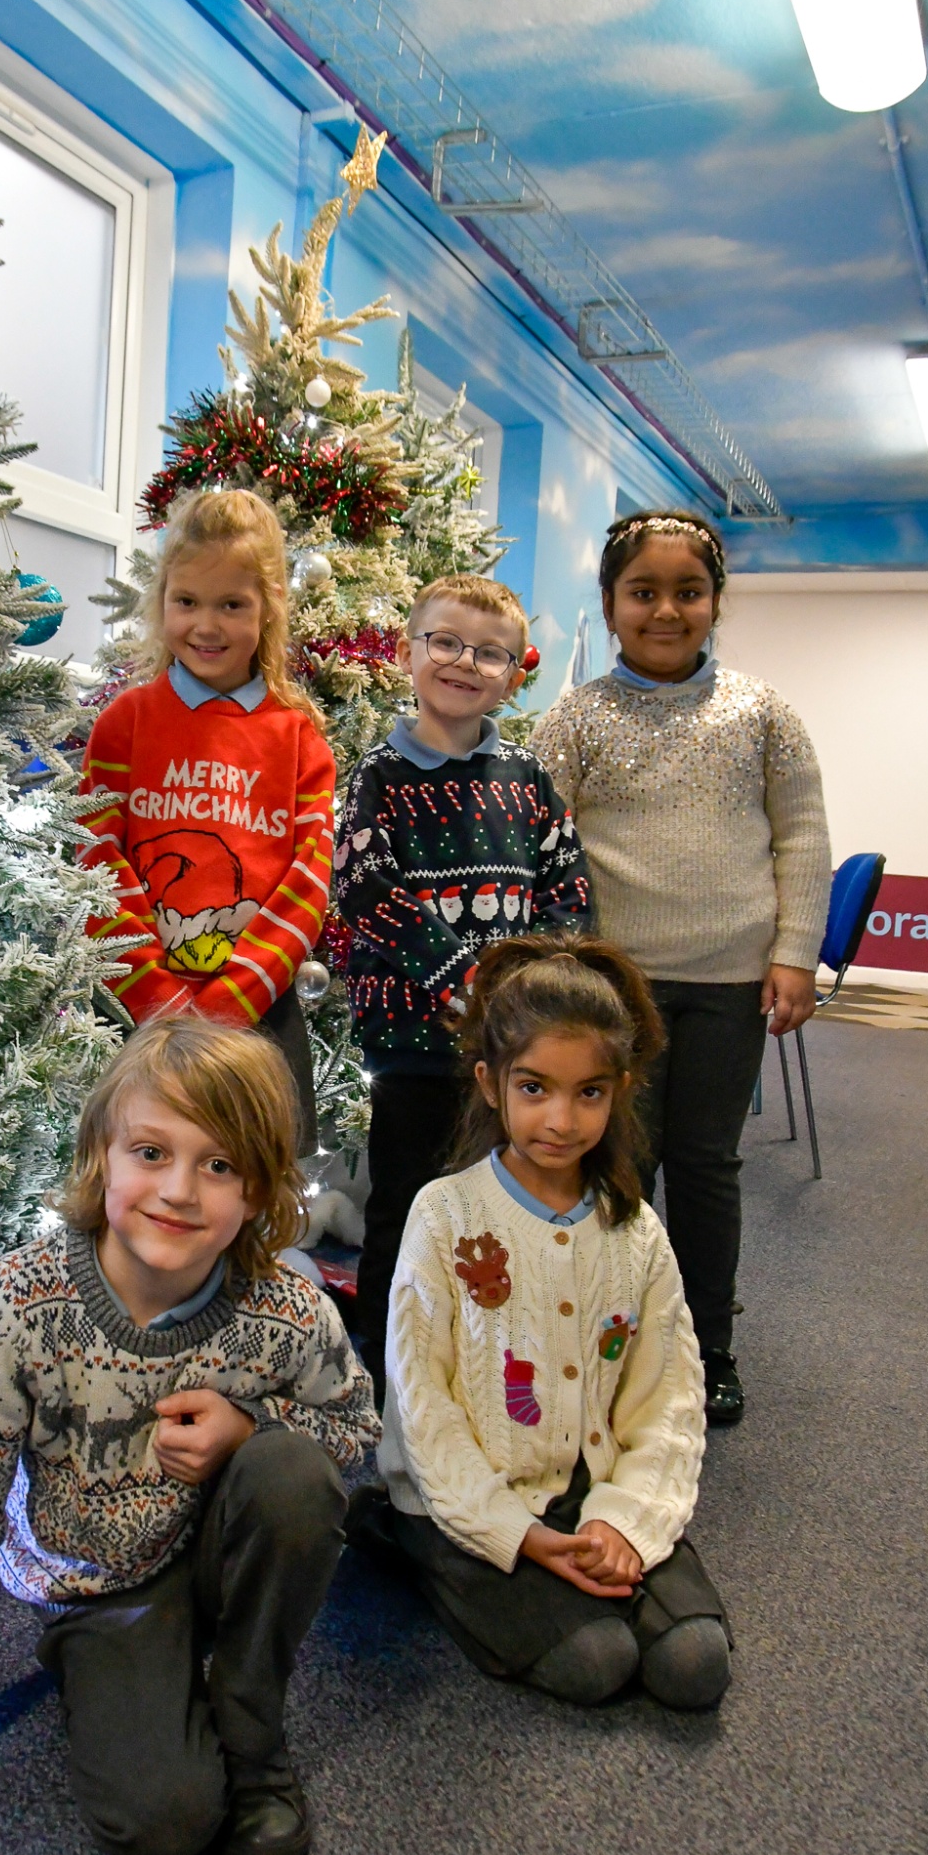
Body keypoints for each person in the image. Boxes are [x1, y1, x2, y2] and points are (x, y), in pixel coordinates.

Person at [0, 1019, 379, 1855]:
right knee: (161, 1830)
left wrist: (250, 1429)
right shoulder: (19, 1302)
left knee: (291, 1470)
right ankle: (113, 1665)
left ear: (259, 1192)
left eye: (218, 1166)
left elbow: (354, 1428)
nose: (180, 1191)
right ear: (102, 1158)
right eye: (151, 1153)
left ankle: (252, 1729)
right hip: (98, 1588)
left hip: (225, 1559)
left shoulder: (289, 1312)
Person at [351, 935, 731, 1710]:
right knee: (595, 1662)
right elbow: (420, 1405)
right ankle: (404, 1539)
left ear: (619, 1089)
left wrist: (626, 1524)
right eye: (534, 1088)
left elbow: (667, 1397)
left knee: (694, 1665)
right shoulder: (444, 1214)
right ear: (491, 1085)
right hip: (472, 1492)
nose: (560, 1120)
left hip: (590, 1482)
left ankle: (587, 1549)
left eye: (588, 1093)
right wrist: (512, 1533)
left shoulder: (635, 1230)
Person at [530, 511, 831, 1423]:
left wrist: (793, 957)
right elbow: (540, 844)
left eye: (687, 592)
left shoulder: (763, 714)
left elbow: (803, 837)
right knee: (621, 1163)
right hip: (611, 992)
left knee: (705, 1165)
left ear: (714, 603)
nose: (666, 610)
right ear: (611, 606)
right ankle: (612, 1340)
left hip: (730, 982)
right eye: (643, 593)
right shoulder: (575, 718)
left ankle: (707, 1345)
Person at [334, 573, 590, 1396]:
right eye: (444, 642)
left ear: (514, 673)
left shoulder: (526, 772)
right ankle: (382, 1372)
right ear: (409, 653)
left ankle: (486, 1364)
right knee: (404, 1207)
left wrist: (539, 989)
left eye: (489, 653)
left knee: (499, 1209)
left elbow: (566, 886)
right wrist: (475, 988)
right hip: (414, 1048)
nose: (463, 662)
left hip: (512, 1050)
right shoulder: (376, 774)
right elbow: (367, 892)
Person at [79, 488, 335, 1150]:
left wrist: (223, 1007)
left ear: (269, 610)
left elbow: (308, 880)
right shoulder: (125, 724)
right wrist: (159, 1000)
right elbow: (94, 862)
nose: (206, 624)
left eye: (231, 605)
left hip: (256, 1011)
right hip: (131, 1006)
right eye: (186, 601)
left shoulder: (298, 738)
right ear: (161, 599)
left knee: (253, 1186)